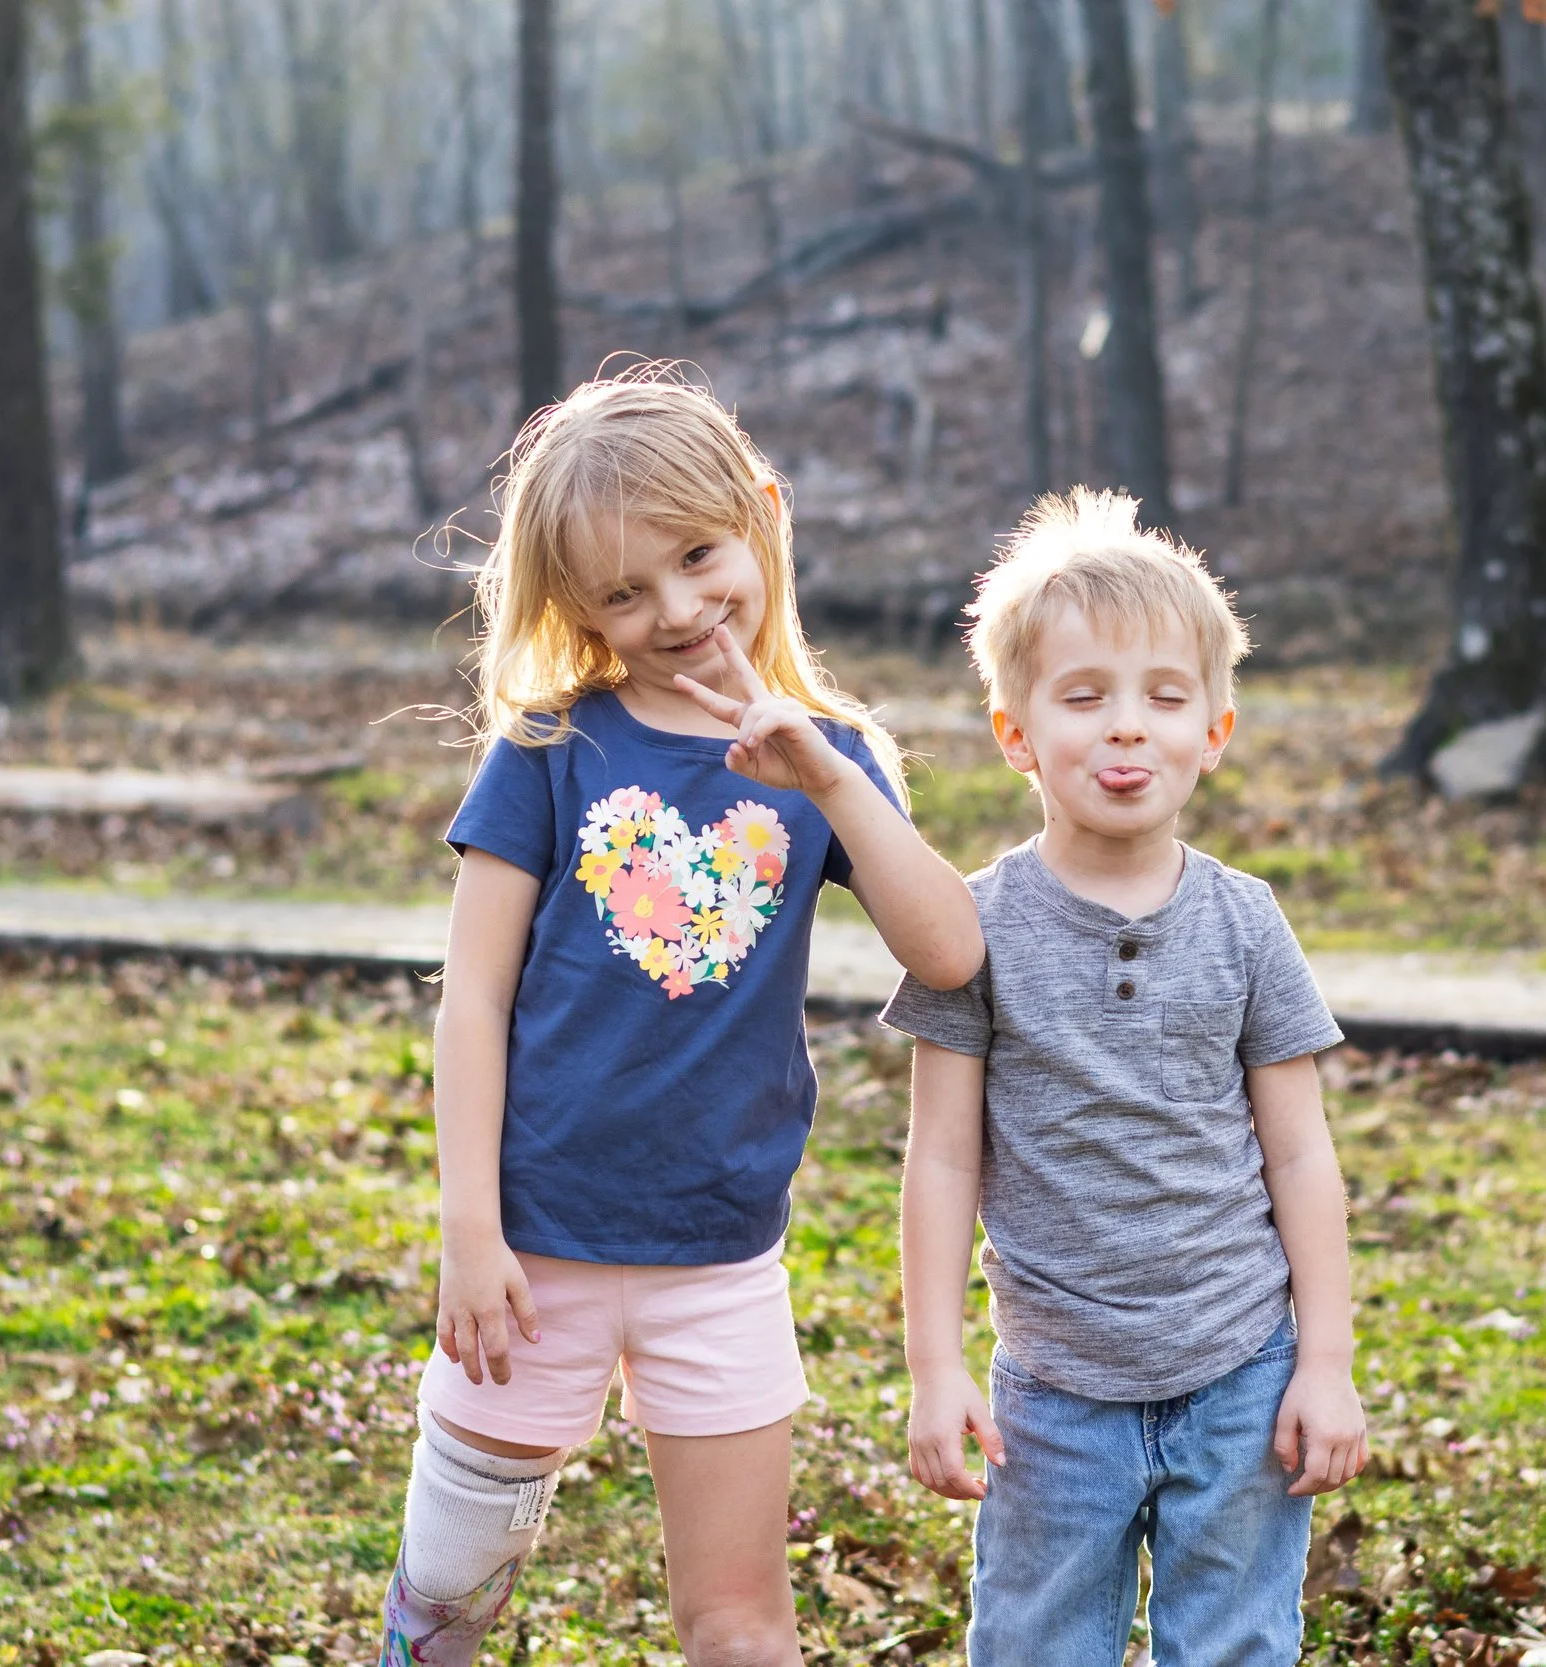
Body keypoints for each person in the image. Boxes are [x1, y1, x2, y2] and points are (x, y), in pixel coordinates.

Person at [381, 368, 982, 1667]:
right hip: (529, 1255)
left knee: (739, 1621)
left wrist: (828, 772)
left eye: (698, 556)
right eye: (623, 591)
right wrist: (468, 1230)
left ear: (763, 514)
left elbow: (950, 951)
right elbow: (473, 995)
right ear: (573, 606)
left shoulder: (830, 759)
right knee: (444, 1605)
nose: (676, 609)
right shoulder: (551, 747)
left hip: (718, 1254)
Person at [884, 488, 1368, 1666]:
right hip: (1053, 1392)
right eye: (1084, 696)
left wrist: (1325, 1361)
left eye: (1163, 696)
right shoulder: (969, 929)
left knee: (1236, 1646)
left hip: (1242, 1373)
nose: (1127, 729)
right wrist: (935, 1368)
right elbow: (940, 1158)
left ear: (1214, 728)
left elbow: (1300, 1152)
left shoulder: (1246, 922)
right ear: (1015, 733)